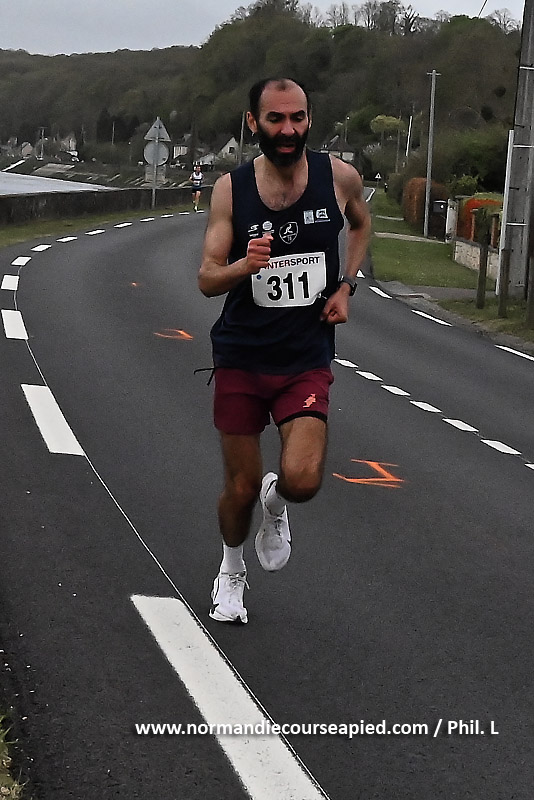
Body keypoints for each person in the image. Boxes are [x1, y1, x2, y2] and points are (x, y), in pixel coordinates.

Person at [198, 77, 371, 624]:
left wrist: (346, 286)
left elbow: (362, 226)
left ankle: (277, 503)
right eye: (276, 119)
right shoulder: (231, 190)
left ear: (309, 119)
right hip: (242, 357)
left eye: (298, 117)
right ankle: (231, 572)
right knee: (240, 487)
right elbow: (206, 279)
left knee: (302, 481)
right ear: (254, 123)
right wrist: (243, 267)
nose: (288, 129)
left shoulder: (338, 178)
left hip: (305, 357)